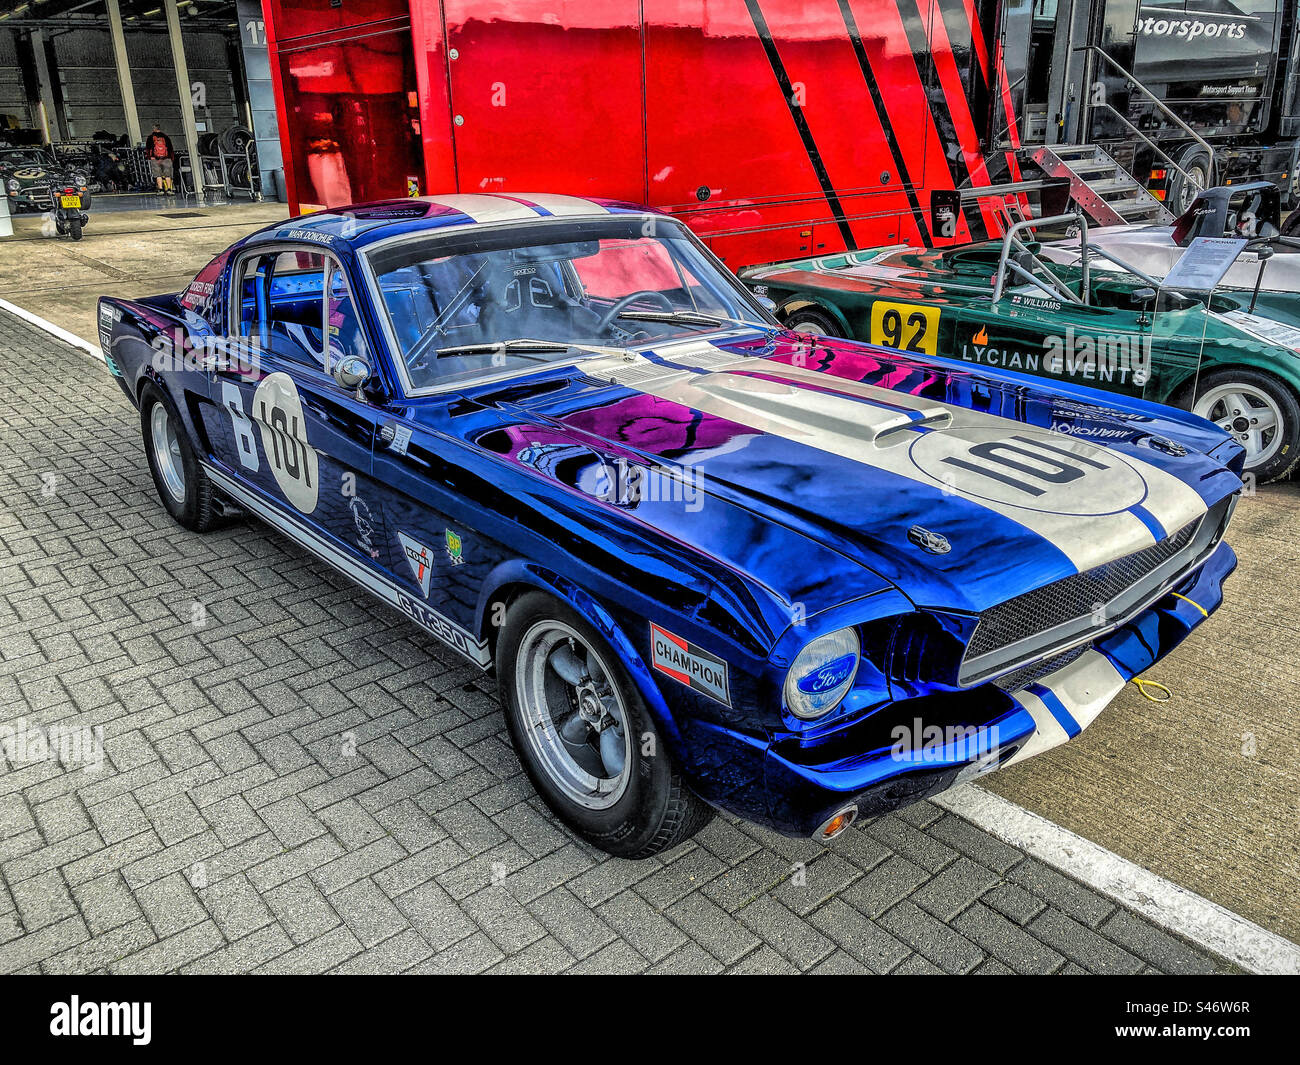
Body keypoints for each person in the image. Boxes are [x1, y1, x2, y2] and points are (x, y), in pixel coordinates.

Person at [145, 124, 174, 195]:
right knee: (168, 175)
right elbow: (170, 148)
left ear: (154, 129)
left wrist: (150, 157)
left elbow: (148, 149)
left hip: (155, 159)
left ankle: (160, 189)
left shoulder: (150, 137)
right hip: (166, 158)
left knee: (158, 175)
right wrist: (171, 158)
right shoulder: (166, 137)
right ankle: (169, 189)